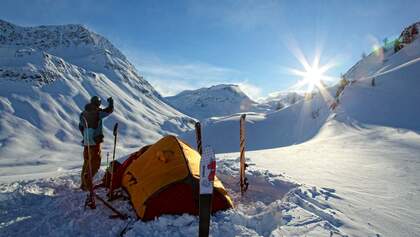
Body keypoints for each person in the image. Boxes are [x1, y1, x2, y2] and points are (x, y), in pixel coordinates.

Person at [79, 96, 114, 191]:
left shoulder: (82, 114)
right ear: (97, 104)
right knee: (95, 163)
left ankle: (83, 183)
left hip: (86, 142)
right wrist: (111, 102)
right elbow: (109, 110)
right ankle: (87, 182)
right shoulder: (97, 113)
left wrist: (85, 137)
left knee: (86, 161)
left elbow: (81, 127)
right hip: (95, 141)